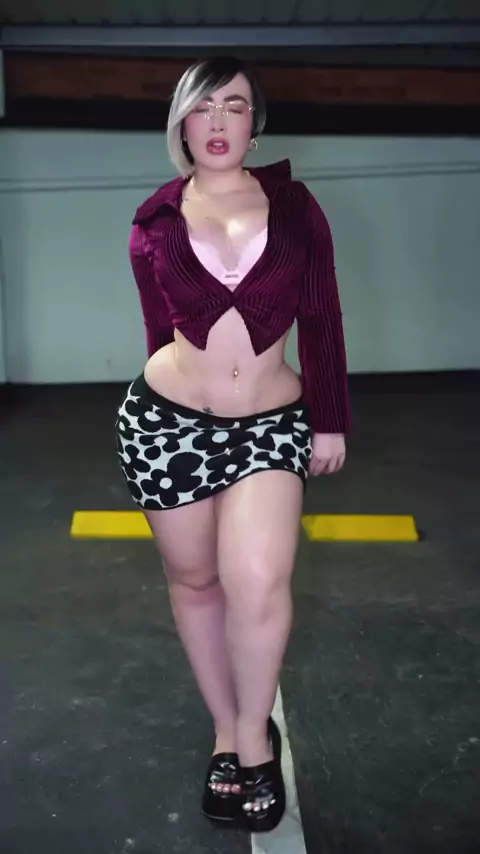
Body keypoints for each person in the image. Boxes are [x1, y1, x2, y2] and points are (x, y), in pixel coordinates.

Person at [115, 55, 350, 833]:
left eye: (235, 106)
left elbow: (321, 315)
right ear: (181, 123)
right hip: (166, 424)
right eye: (203, 106)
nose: (218, 122)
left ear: (256, 124)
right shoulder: (153, 220)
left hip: (269, 426)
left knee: (256, 579)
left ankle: (254, 737)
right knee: (194, 583)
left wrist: (330, 419)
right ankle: (225, 726)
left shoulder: (295, 207)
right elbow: (158, 329)